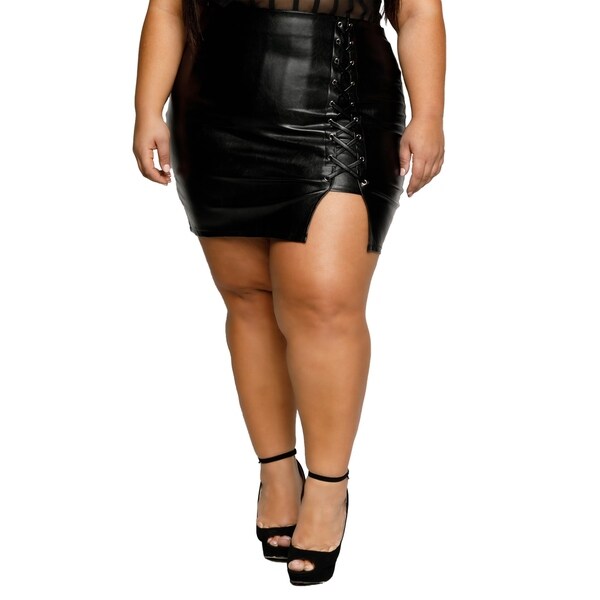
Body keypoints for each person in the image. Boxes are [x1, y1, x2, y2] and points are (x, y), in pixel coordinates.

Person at [133, 0, 445, 586]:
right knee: (248, 299)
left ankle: (328, 488)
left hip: (339, 104)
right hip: (213, 107)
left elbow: (418, 12)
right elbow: (168, 8)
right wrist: (147, 108)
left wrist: (429, 113)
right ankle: (276, 471)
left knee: (325, 305)